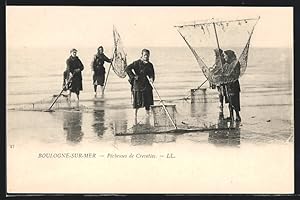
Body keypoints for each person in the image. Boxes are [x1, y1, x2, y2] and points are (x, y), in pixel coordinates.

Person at [125, 49, 155, 124]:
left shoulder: (150, 65)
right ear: (142, 55)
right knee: (137, 102)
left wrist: (151, 78)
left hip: (146, 84)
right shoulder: (137, 63)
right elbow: (127, 68)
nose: (146, 56)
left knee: (148, 102)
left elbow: (152, 74)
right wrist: (134, 76)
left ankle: (147, 117)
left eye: (148, 55)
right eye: (145, 55)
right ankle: (134, 117)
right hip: (138, 85)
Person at [223, 50, 241, 121]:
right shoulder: (226, 64)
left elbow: (236, 74)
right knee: (229, 102)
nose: (224, 58)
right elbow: (223, 73)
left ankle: (237, 116)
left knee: (234, 102)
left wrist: (227, 76)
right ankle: (231, 116)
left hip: (234, 85)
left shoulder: (236, 63)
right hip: (227, 85)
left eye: (225, 56)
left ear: (229, 56)